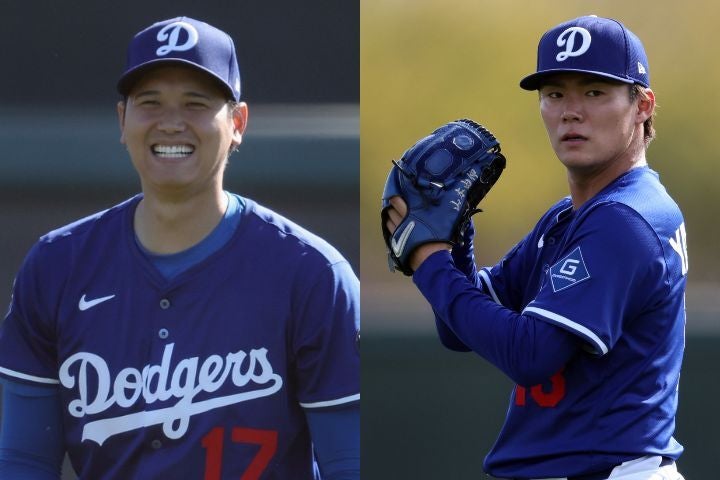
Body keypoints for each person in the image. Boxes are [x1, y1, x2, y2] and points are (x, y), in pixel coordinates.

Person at [0, 16, 359, 479]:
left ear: (238, 123)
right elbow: (23, 461)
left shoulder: (313, 275)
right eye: (150, 102)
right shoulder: (56, 266)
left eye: (196, 103)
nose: (171, 123)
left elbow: (348, 463)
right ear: (122, 120)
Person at [384, 15, 687, 480]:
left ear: (643, 105)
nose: (570, 111)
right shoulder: (571, 216)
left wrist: (429, 259)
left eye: (594, 92)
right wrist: (457, 238)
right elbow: (460, 327)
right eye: (554, 94)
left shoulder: (625, 220)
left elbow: (531, 356)